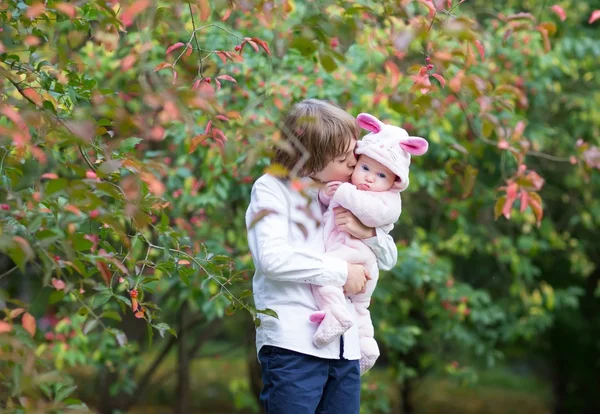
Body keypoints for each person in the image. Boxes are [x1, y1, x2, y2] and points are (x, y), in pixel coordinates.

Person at [245, 99, 398, 413]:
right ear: (311, 161)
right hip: (294, 346)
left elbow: (389, 256)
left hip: (346, 349)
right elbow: (273, 259)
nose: (354, 166)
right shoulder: (272, 189)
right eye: (345, 159)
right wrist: (343, 272)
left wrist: (367, 232)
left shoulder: (346, 194)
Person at [310, 112, 429, 375]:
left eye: (381, 175)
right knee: (361, 311)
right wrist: (326, 193)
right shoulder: (347, 185)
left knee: (325, 280)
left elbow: (376, 224)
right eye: (364, 168)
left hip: (358, 261)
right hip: (344, 257)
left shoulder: (385, 200)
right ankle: (367, 347)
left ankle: (335, 316)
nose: (370, 179)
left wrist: (363, 228)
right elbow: (327, 200)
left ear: (394, 182)